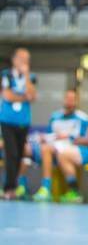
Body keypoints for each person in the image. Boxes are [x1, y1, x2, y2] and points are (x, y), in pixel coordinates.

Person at [29, 89, 88, 202]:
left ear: (77, 101)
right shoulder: (55, 116)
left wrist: (67, 137)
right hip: (52, 147)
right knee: (35, 150)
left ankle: (72, 190)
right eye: (68, 98)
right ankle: (45, 188)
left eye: (73, 99)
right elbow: (49, 134)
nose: (69, 101)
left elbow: (84, 139)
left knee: (57, 152)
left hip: (71, 148)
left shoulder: (83, 118)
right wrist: (46, 138)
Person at [0, 48, 36, 199]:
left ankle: (14, 186)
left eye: (27, 58)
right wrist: (23, 97)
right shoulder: (6, 74)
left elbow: (32, 95)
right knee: (11, 153)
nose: (24, 61)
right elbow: (7, 96)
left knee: (20, 154)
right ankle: (9, 188)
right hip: (8, 120)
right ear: (14, 59)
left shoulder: (31, 76)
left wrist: (26, 75)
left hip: (23, 121)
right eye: (22, 58)